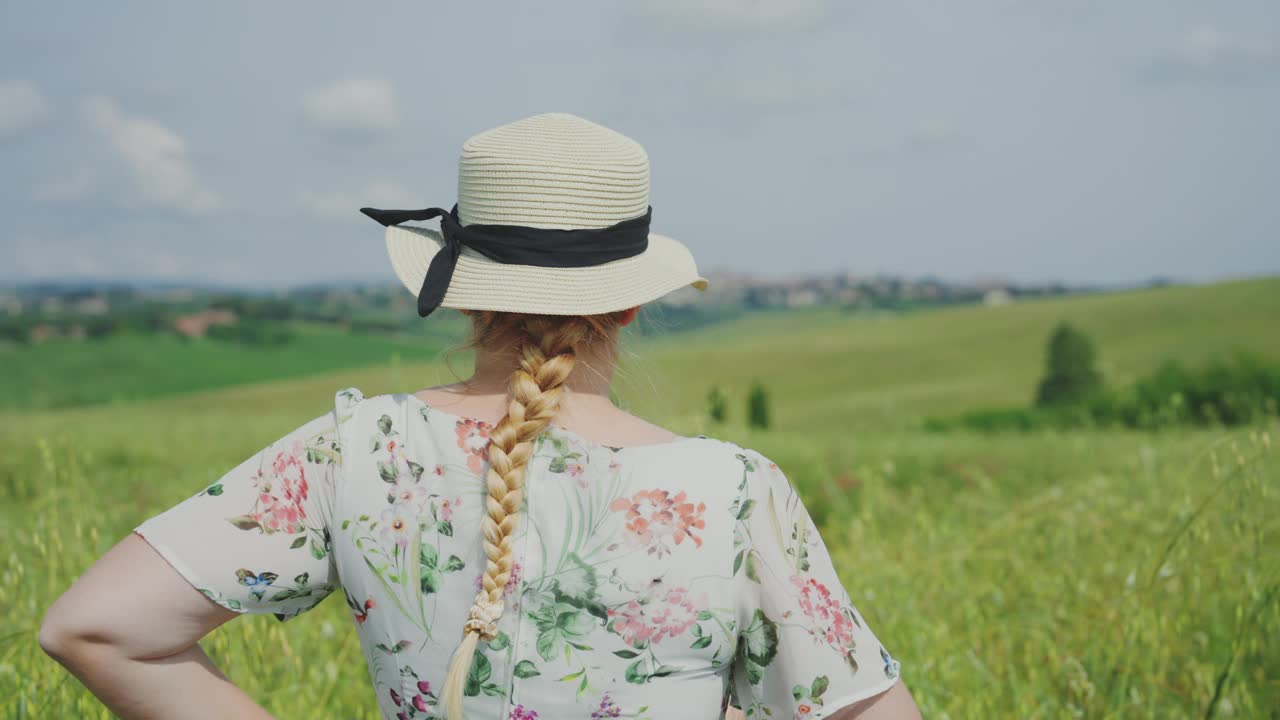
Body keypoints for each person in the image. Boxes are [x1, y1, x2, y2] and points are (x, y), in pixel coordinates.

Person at [38, 113, 921, 720]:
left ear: (463, 295)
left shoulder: (358, 451)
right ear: (627, 306)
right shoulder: (730, 492)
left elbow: (94, 626)